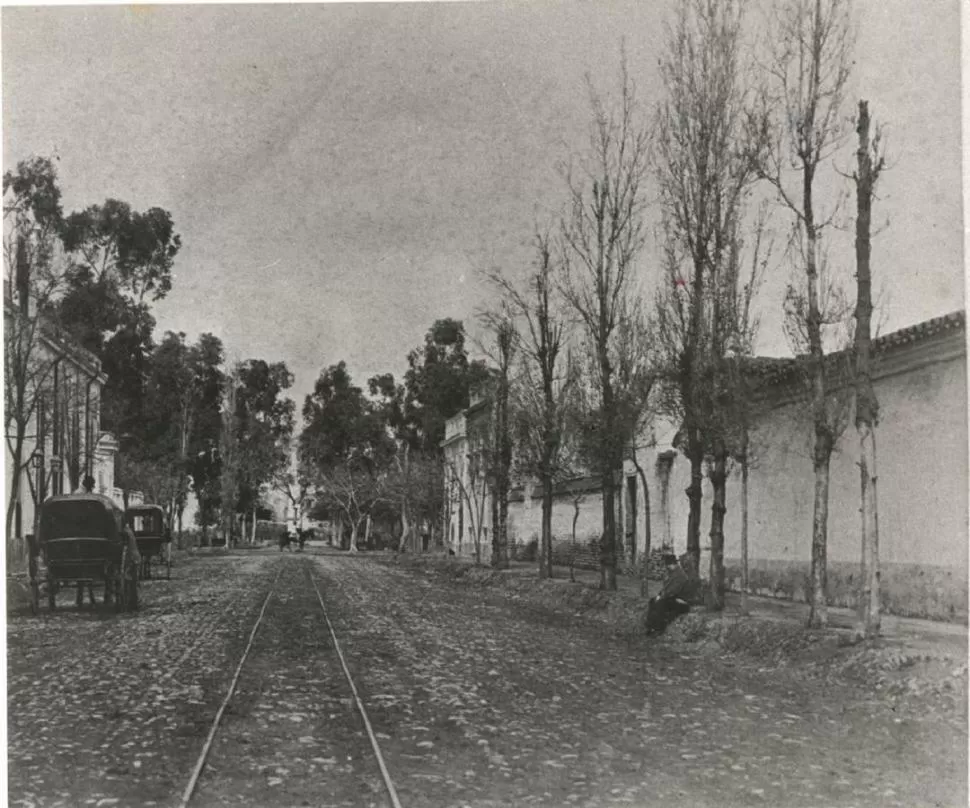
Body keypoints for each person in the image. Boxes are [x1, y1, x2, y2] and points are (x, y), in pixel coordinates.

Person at [645, 554, 692, 635]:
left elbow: (674, 590)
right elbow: (666, 588)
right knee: (653, 601)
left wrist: (662, 596)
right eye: (667, 565)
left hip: (682, 601)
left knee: (661, 603)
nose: (668, 567)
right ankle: (651, 626)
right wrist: (659, 595)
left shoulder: (680, 575)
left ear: (674, 564)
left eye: (669, 565)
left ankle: (658, 629)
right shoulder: (673, 573)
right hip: (674, 598)